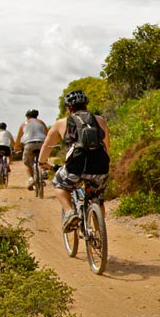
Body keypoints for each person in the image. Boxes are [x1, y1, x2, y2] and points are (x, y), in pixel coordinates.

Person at [38, 90, 111, 232]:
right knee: (97, 199)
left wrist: (42, 163)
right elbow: (107, 146)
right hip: (100, 165)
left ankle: (70, 213)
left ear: (68, 108)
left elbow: (47, 146)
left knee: (59, 184)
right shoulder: (99, 120)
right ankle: (99, 236)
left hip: (76, 166)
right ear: (86, 106)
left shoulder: (61, 123)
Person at [14, 108, 49, 190]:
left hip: (29, 144)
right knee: (43, 159)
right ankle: (44, 171)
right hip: (42, 143)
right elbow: (48, 134)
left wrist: (16, 147)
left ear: (27, 116)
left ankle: (31, 179)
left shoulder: (23, 124)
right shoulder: (41, 122)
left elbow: (19, 138)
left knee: (27, 163)